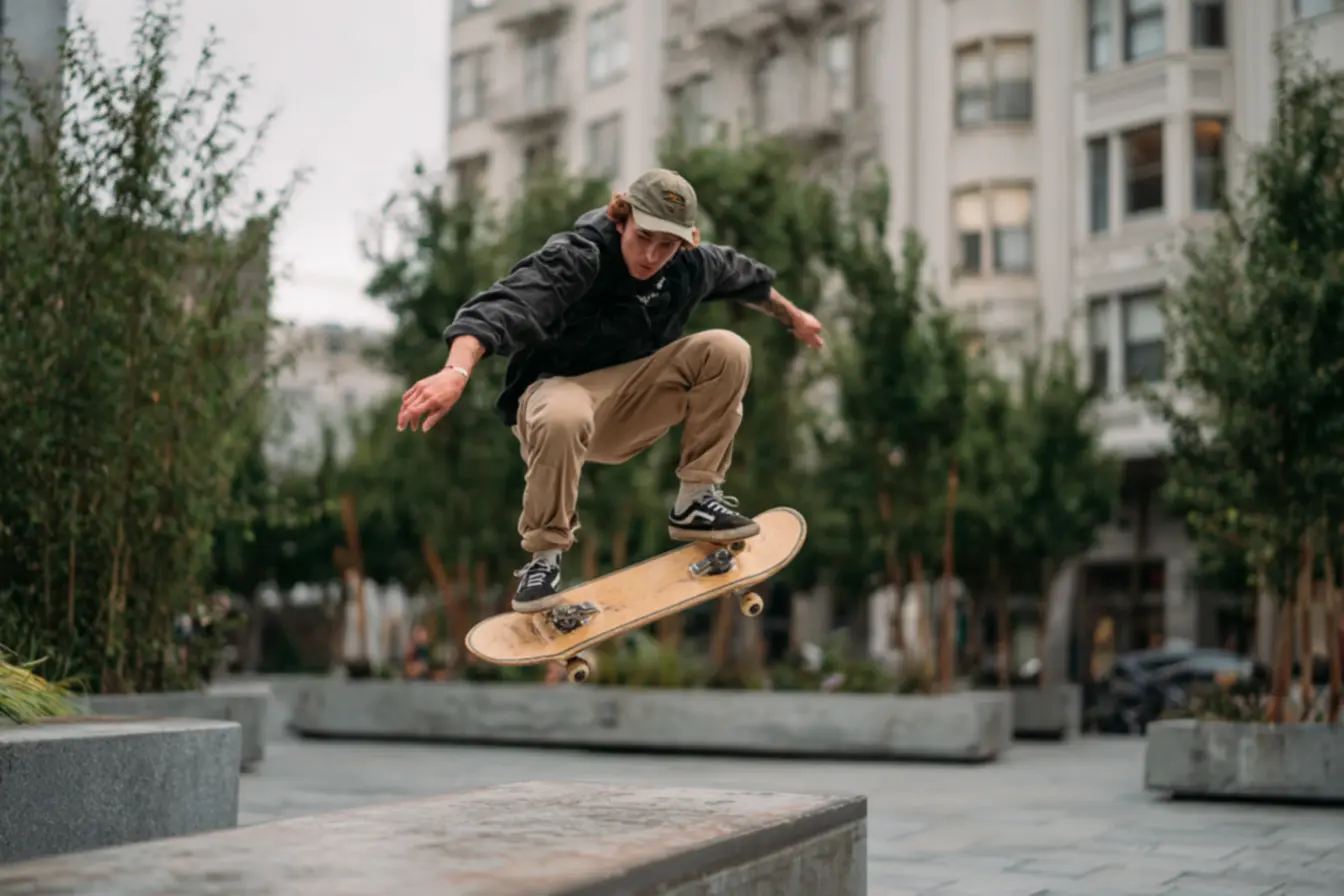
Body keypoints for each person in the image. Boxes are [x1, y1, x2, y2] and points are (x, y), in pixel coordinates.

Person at [396, 168, 823, 613]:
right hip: (556, 404)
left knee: (727, 349)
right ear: (621, 218)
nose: (653, 254)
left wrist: (795, 317)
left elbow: (747, 279)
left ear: (685, 240)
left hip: (632, 406)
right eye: (643, 237)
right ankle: (543, 560)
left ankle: (696, 500)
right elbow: (501, 306)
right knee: (565, 412)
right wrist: (455, 372)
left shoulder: (690, 263)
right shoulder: (577, 257)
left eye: (668, 244)